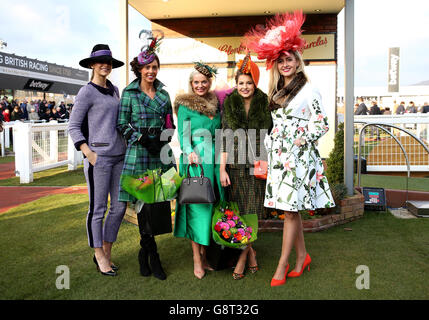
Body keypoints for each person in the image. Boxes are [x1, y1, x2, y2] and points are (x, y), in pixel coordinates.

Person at [245, 10, 335, 287]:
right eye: (281, 60)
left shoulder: (309, 89)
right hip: (280, 157)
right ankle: (302, 257)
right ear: (276, 64)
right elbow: (277, 124)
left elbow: (322, 124)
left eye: (289, 59)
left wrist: (300, 138)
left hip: (299, 157)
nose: (285, 64)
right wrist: (272, 142)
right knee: (289, 209)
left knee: (291, 211)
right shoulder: (276, 91)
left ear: (298, 61)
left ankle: (283, 265)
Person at [117, 38, 176, 281]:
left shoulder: (164, 94)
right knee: (142, 204)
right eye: (147, 67)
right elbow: (121, 124)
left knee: (157, 203)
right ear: (139, 69)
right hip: (139, 154)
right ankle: (153, 256)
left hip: (159, 153)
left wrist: (161, 139)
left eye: (154, 67)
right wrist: (141, 139)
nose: (151, 71)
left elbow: (171, 125)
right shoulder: (128, 93)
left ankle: (145, 253)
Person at [68, 44, 126, 277]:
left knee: (120, 207)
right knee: (98, 209)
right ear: (92, 65)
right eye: (100, 61)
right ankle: (99, 255)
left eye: (109, 61)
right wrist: (88, 153)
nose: (105, 65)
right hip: (98, 160)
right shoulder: (86, 92)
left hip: (119, 157)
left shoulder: (115, 90)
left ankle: (107, 250)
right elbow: (73, 126)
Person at [220, 53, 272, 280]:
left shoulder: (264, 102)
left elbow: (272, 133)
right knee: (241, 212)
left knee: (253, 213)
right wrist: (222, 168)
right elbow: (223, 137)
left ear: (255, 83)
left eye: (248, 82)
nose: (244, 87)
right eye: (241, 83)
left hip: (259, 163)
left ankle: (242, 258)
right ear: (236, 84)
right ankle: (250, 255)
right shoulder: (230, 103)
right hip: (235, 165)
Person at [173, 62, 225, 279]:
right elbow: (183, 135)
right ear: (191, 84)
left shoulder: (216, 103)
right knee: (198, 210)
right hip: (196, 161)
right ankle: (196, 258)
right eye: (196, 82)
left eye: (204, 82)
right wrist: (188, 151)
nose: (200, 86)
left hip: (214, 163)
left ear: (209, 82)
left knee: (213, 208)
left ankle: (206, 254)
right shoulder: (185, 105)